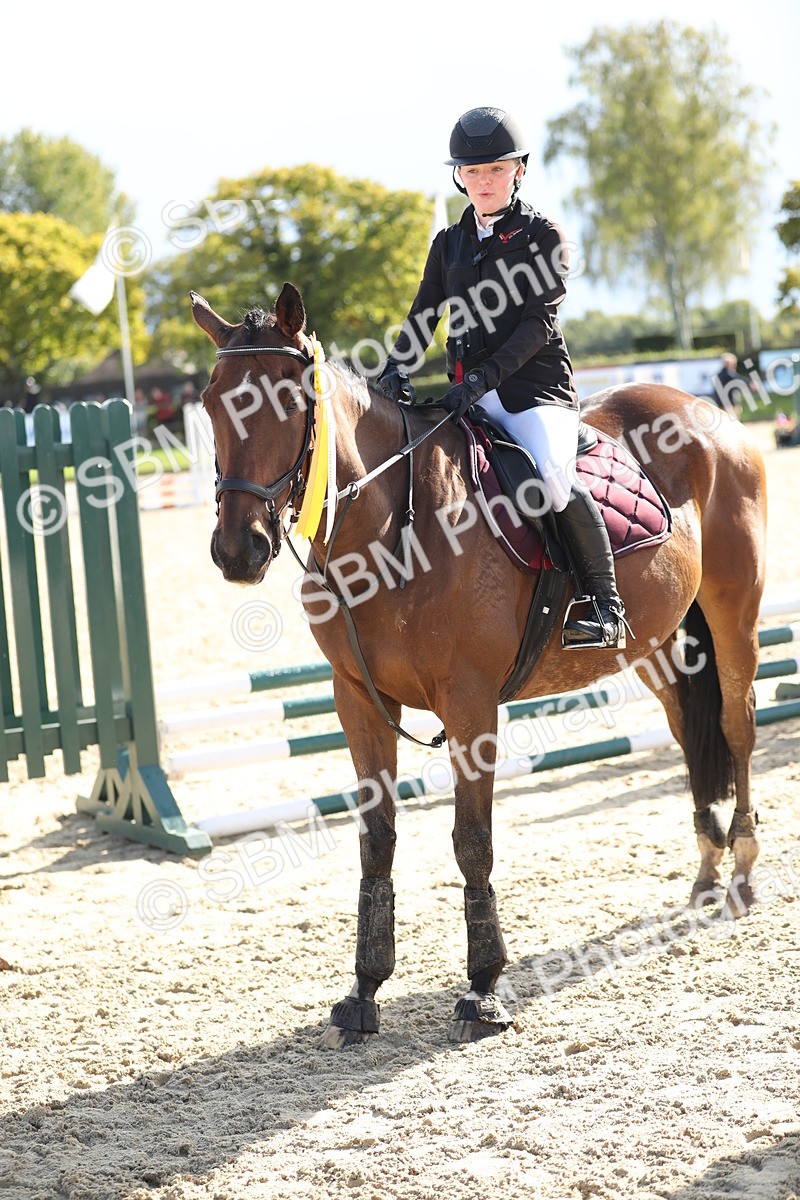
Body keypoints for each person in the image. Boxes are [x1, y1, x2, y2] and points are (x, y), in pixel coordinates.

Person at [376, 106, 628, 649]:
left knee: (554, 479)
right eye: (473, 172)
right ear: (459, 177)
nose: (483, 181)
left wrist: (482, 379)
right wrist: (393, 368)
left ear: (518, 171)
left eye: (495, 170)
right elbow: (424, 315)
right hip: (467, 397)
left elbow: (538, 325)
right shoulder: (449, 243)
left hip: (533, 394)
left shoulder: (544, 236)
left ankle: (605, 606)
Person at [710, 353, 746, 417]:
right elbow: (739, 380)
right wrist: (750, 383)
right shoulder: (729, 374)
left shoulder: (718, 375)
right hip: (729, 405)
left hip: (720, 404)